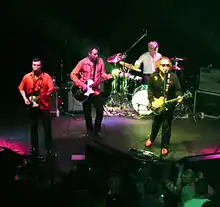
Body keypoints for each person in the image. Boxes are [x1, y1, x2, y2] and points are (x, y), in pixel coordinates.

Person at [70, 47, 112, 137]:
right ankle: (89, 131)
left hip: (96, 90)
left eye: (97, 54)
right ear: (89, 53)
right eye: (94, 54)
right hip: (85, 90)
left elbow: (103, 73)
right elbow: (72, 74)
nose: (96, 56)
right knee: (87, 112)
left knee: (100, 110)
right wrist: (81, 85)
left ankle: (97, 131)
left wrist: (107, 76)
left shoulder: (100, 61)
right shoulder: (83, 62)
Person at [18, 58, 55, 158]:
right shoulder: (27, 77)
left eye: (38, 65)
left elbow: (51, 89)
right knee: (33, 128)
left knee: (47, 128)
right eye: (34, 65)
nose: (36, 67)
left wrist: (49, 92)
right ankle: (34, 148)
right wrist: (25, 98)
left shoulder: (46, 77)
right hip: (32, 106)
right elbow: (21, 88)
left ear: (41, 66)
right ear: (32, 65)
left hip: (44, 106)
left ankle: (49, 148)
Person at [145, 57, 183, 155]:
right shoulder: (153, 76)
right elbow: (150, 90)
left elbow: (177, 90)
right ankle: (151, 138)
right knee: (156, 124)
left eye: (167, 65)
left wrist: (179, 96)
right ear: (159, 65)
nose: (165, 67)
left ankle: (165, 145)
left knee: (166, 126)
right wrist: (152, 101)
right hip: (157, 104)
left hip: (168, 105)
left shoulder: (173, 77)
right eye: (163, 65)